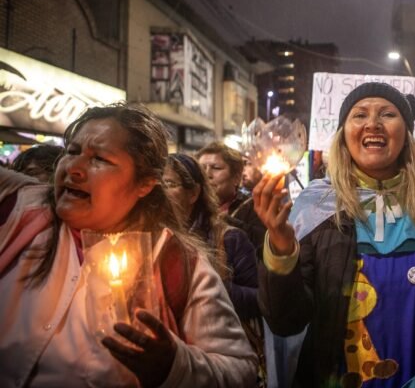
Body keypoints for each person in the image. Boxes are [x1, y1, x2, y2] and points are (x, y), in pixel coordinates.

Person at [0, 103, 258, 387]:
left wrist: (173, 365)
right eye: (71, 152)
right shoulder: (17, 212)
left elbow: (240, 371)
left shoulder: (176, 261)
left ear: (145, 183)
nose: (74, 169)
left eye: (99, 159)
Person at [254, 82, 415, 387]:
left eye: (388, 114)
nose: (373, 124)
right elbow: (286, 320)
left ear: (405, 133)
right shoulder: (316, 206)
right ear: (344, 135)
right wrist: (280, 249)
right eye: (360, 115)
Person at [163, 153, 260, 320]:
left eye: (170, 184)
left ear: (193, 193)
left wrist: (212, 286)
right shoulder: (145, 237)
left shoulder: (230, 239)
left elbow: (259, 300)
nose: (161, 192)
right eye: (158, 184)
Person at [196, 141, 248, 216]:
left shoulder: (251, 209)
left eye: (216, 168)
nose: (207, 174)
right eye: (202, 168)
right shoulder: (188, 208)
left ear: (237, 177)